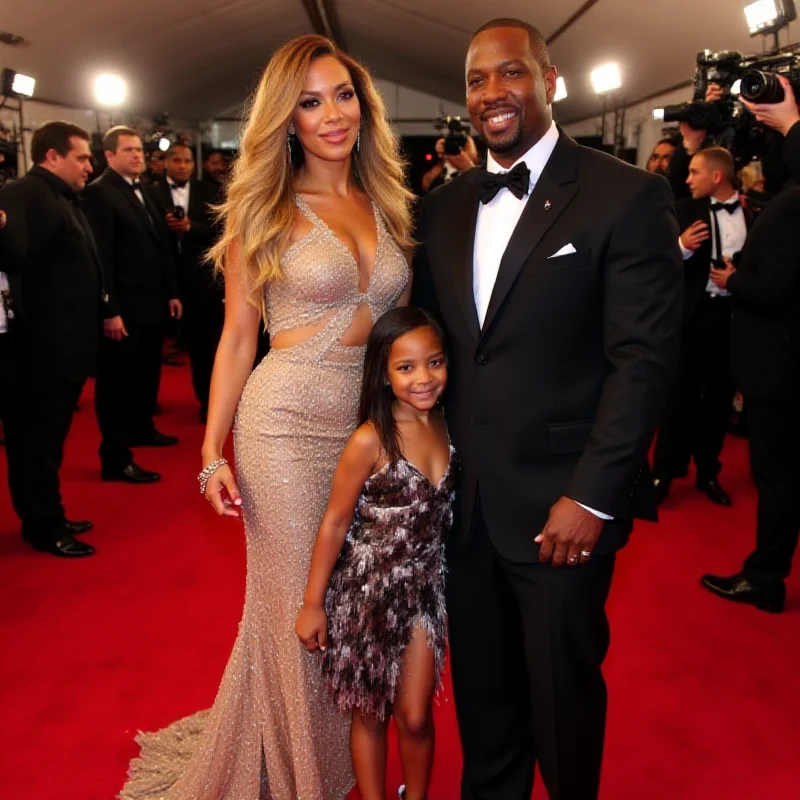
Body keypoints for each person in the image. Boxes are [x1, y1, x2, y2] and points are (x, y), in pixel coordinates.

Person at [120, 34, 413, 800]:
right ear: (286, 120)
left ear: (365, 104)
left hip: (366, 433)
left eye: (343, 95)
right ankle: (296, 781)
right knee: (294, 606)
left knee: (348, 600)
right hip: (283, 427)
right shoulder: (265, 208)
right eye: (310, 102)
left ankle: (330, 756)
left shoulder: (389, 200)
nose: (330, 115)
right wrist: (212, 450)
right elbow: (237, 337)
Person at [413, 18, 682, 799]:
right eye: (475, 80)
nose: (492, 93)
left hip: (564, 510)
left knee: (561, 701)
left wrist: (594, 495)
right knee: (487, 706)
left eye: (511, 73)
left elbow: (643, 361)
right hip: (465, 509)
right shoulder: (443, 208)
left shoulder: (626, 195)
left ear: (550, 80)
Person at [297, 307, 454, 800]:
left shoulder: (450, 425)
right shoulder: (370, 438)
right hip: (366, 594)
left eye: (435, 362)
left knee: (415, 714)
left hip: (425, 592)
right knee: (369, 711)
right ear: (383, 375)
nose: (424, 378)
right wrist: (312, 602)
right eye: (406, 368)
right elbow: (336, 522)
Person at [699, 79, 800, 614]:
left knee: (778, 480)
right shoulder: (782, 196)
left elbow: (771, 289)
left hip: (779, 368)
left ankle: (765, 577)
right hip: (777, 363)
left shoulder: (793, 206)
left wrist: (734, 279)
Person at [0, 121, 103, 558]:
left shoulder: (56, 196)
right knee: (35, 443)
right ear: (51, 157)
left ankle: (47, 515)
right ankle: (43, 525)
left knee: (47, 441)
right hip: (41, 349)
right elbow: (15, 262)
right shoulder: (26, 194)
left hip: (60, 345)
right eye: (81, 157)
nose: (88, 165)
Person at [83, 127, 182, 484]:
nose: (138, 155)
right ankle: (115, 456)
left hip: (152, 303)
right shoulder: (99, 194)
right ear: (108, 156)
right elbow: (101, 258)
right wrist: (109, 310)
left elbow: (163, 247)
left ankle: (142, 428)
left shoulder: (149, 191)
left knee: (145, 376)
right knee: (117, 384)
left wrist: (172, 291)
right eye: (128, 150)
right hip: (123, 309)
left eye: (140, 150)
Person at [651, 147, 749, 507]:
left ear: (717, 177)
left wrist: (740, 279)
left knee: (719, 402)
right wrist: (682, 246)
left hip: (733, 318)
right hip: (691, 318)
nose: (688, 179)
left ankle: (708, 472)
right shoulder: (683, 209)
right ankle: (663, 472)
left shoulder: (753, 211)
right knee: (678, 398)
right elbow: (656, 263)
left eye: (695, 172)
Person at [150, 143, 224, 422]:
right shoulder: (151, 193)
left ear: (194, 164)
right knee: (155, 342)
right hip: (161, 278)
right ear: (167, 162)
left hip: (203, 280)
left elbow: (222, 231)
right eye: (177, 160)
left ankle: (208, 401)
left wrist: (191, 228)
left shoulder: (209, 191)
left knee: (207, 344)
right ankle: (147, 402)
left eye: (187, 161)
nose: (182, 165)